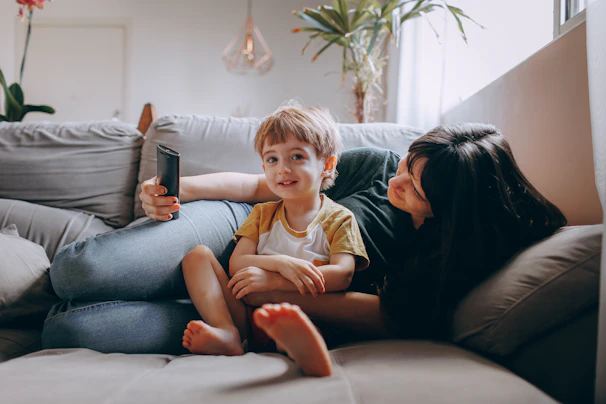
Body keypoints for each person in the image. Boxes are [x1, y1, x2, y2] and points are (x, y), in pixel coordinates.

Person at [140, 122, 567, 342]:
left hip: (251, 302)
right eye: (405, 166)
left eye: (413, 189)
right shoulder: (376, 166)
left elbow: (392, 316)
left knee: (80, 330)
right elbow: (260, 186)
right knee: (83, 271)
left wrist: (273, 290)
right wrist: (178, 189)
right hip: (243, 241)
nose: (394, 184)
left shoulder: (445, 254)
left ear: (448, 211)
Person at [178, 104, 368, 377]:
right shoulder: (263, 213)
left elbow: (343, 274)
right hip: (250, 316)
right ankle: (229, 334)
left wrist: (278, 281)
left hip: (308, 319)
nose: (283, 169)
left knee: (298, 328)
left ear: (327, 164)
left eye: (296, 157)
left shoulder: (339, 218)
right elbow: (237, 264)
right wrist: (282, 263)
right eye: (272, 159)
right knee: (197, 256)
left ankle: (304, 351)